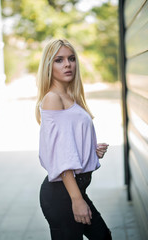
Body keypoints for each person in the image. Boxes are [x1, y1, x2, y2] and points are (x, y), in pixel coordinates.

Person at [36, 39, 112, 240]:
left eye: (71, 59)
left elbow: (68, 143)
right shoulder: (53, 98)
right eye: (59, 60)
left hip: (74, 189)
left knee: (103, 236)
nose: (67, 64)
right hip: (63, 193)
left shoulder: (70, 96)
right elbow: (60, 154)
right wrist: (77, 200)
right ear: (48, 66)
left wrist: (90, 151)